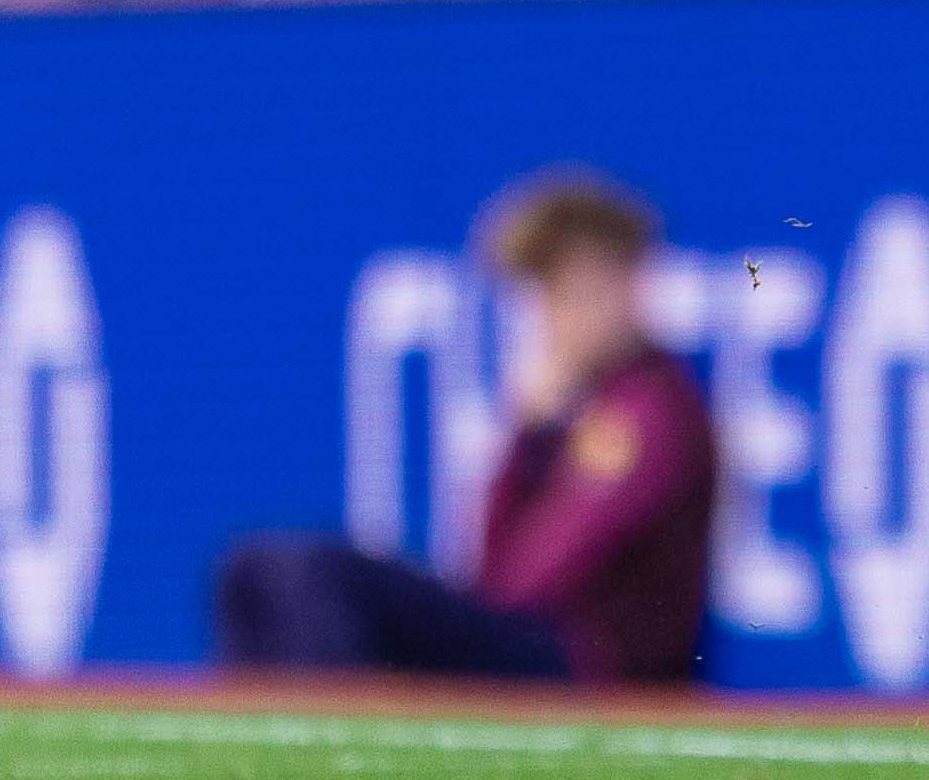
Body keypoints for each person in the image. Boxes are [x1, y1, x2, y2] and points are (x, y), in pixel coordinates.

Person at [214, 173, 714, 684]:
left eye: (575, 294)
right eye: (549, 299)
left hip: (593, 670)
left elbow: (528, 582)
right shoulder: (578, 410)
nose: (557, 319)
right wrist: (530, 432)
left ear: (630, 285)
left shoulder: (650, 410)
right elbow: (497, 563)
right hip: (541, 645)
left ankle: (336, 740)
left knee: (316, 573)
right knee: (250, 568)